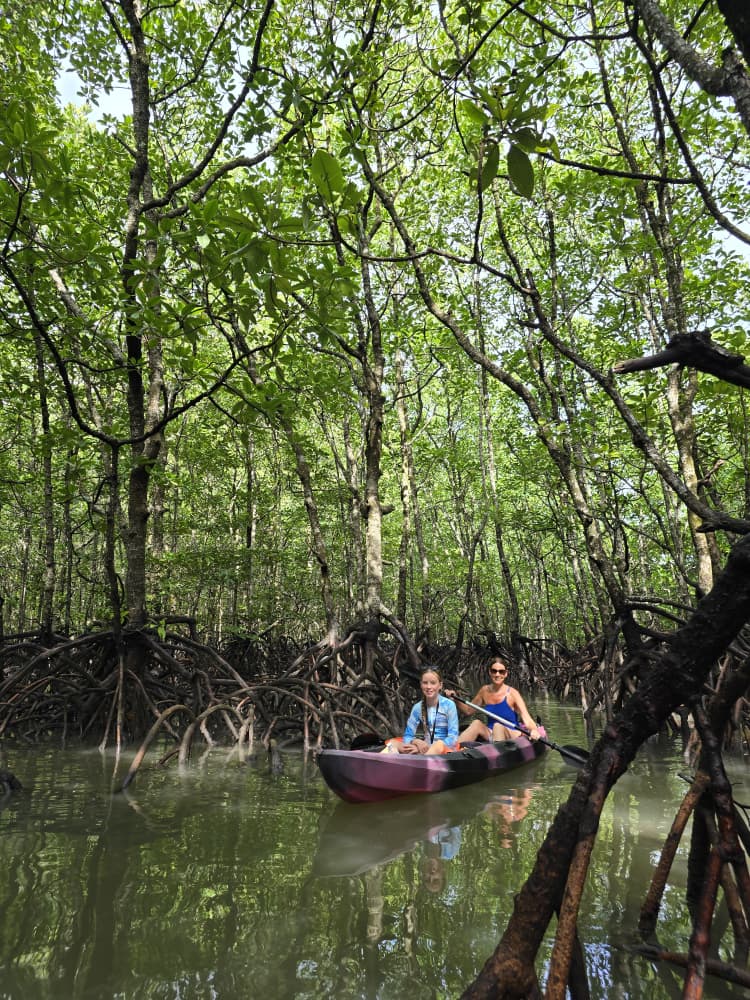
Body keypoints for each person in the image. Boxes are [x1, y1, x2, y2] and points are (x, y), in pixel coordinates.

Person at [445, 658, 541, 743]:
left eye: (501, 671)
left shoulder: (513, 693)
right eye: (494, 671)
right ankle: (451, 751)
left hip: (511, 733)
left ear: (506, 674)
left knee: (497, 726)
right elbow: (468, 711)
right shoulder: (484, 691)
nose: (497, 674)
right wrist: (455, 699)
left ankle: (496, 756)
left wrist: (534, 730)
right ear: (490, 672)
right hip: (490, 733)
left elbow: (527, 719)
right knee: (476, 723)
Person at [398, 666, 460, 755]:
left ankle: (420, 763)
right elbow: (407, 737)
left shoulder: (449, 705)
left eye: (433, 683)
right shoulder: (417, 708)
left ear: (440, 685)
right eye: (425, 683)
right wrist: (416, 742)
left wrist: (433, 747)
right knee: (394, 743)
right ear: (421, 684)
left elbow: (453, 738)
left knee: (438, 745)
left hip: (445, 750)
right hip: (426, 749)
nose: (428, 687)